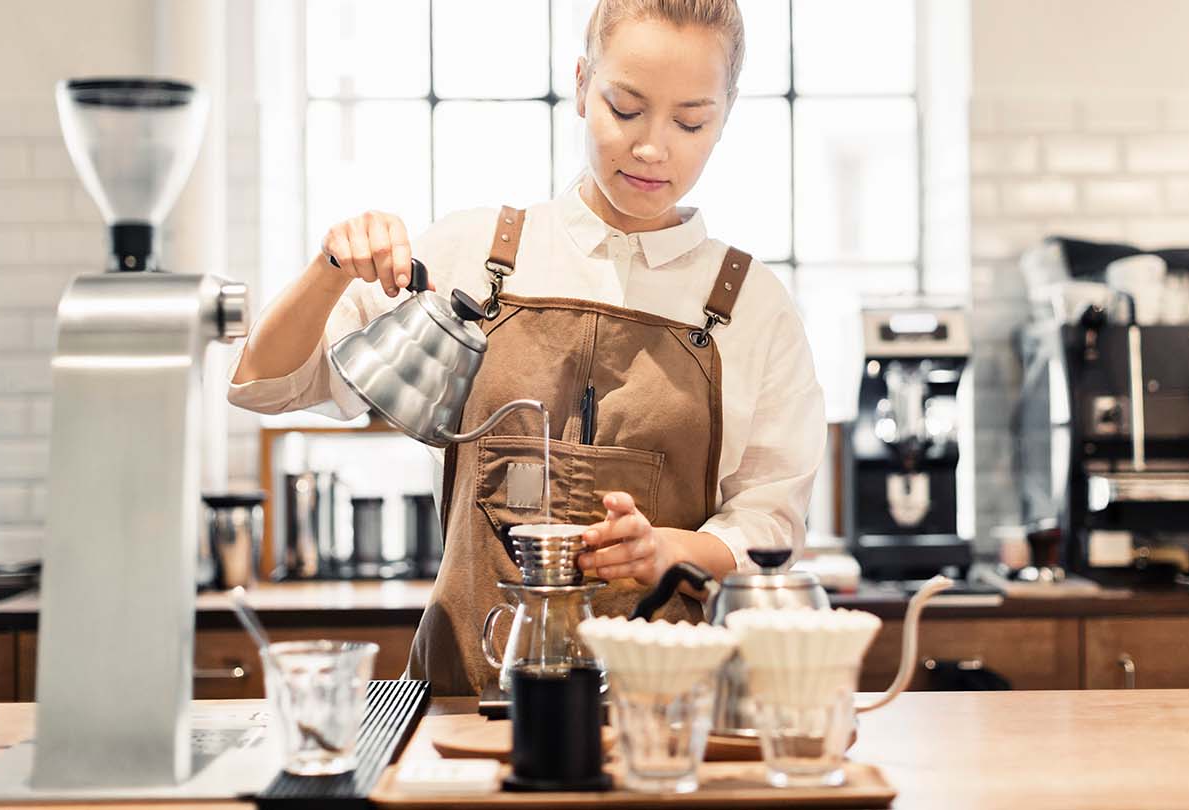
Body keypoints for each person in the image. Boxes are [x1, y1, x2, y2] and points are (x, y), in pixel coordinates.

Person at [229, 0, 825, 696]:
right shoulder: (471, 255)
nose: (653, 147)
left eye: (690, 120)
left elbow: (769, 517)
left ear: (724, 117)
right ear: (580, 84)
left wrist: (665, 549)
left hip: (663, 713)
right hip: (464, 699)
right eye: (626, 108)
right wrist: (329, 269)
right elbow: (265, 384)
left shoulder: (754, 306)